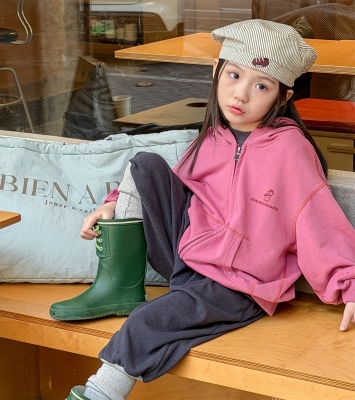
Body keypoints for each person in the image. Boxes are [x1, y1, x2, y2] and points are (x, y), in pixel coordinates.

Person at [50, 19, 355, 400]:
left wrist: (350, 285)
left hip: (239, 285)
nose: (240, 94)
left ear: (283, 97)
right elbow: (175, 189)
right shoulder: (213, 137)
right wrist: (113, 205)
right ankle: (117, 286)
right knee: (145, 164)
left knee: (147, 322)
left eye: (261, 86)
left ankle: (99, 393)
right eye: (234, 75)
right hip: (189, 261)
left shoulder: (290, 151)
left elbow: (319, 224)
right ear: (216, 71)